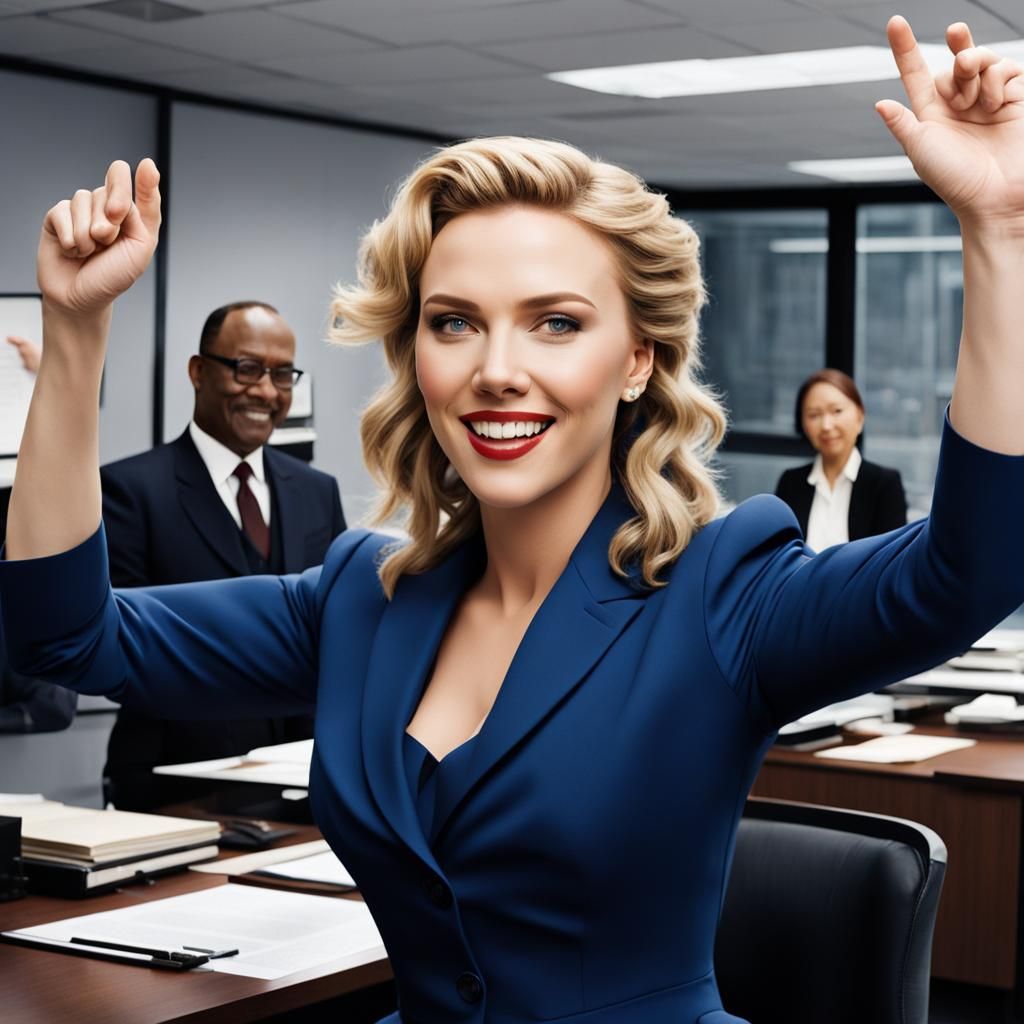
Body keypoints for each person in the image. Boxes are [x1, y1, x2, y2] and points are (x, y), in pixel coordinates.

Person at [3, 17, 1024, 1024]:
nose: (496, 370)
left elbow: (967, 572)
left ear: (637, 360)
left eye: (556, 323)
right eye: (455, 322)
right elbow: (67, 631)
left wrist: (1000, 236)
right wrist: (78, 331)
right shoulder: (362, 593)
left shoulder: (725, 589)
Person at [100, 301, 347, 811]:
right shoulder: (130, 489)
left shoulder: (317, 491)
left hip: (305, 792)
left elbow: (339, 633)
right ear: (198, 372)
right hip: (175, 789)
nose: (265, 390)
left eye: (283, 375)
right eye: (247, 368)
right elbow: (116, 646)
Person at [775, 368, 907, 549]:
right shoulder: (790, 483)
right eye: (814, 415)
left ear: (859, 417)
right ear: (803, 424)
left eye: (836, 411)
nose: (826, 425)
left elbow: (891, 561)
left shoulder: (884, 484)